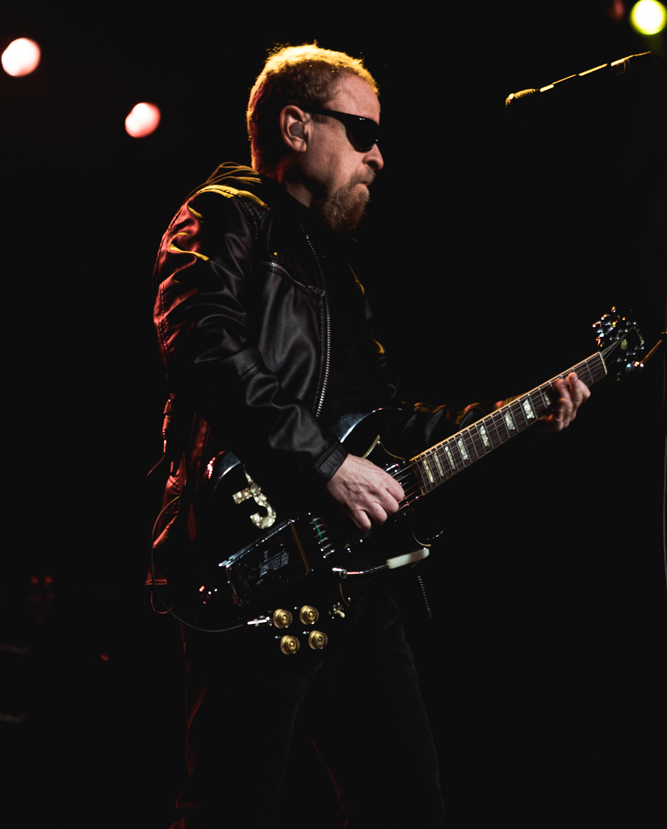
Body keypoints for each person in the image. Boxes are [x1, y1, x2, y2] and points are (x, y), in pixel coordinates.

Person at [151, 44, 590, 828]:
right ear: (294, 125)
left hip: (351, 581)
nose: (379, 156)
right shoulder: (223, 212)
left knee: (405, 806)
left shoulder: (339, 272)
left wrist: (520, 413)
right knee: (230, 803)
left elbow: (382, 428)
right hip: (251, 556)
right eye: (361, 132)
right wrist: (324, 466)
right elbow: (201, 345)